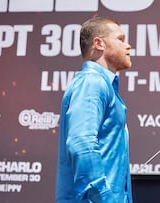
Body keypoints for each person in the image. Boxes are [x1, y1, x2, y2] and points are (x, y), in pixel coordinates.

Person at [55, 17, 133, 203]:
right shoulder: (92, 82)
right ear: (99, 44)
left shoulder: (103, 85)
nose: (128, 46)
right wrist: (106, 199)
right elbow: (82, 143)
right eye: (120, 39)